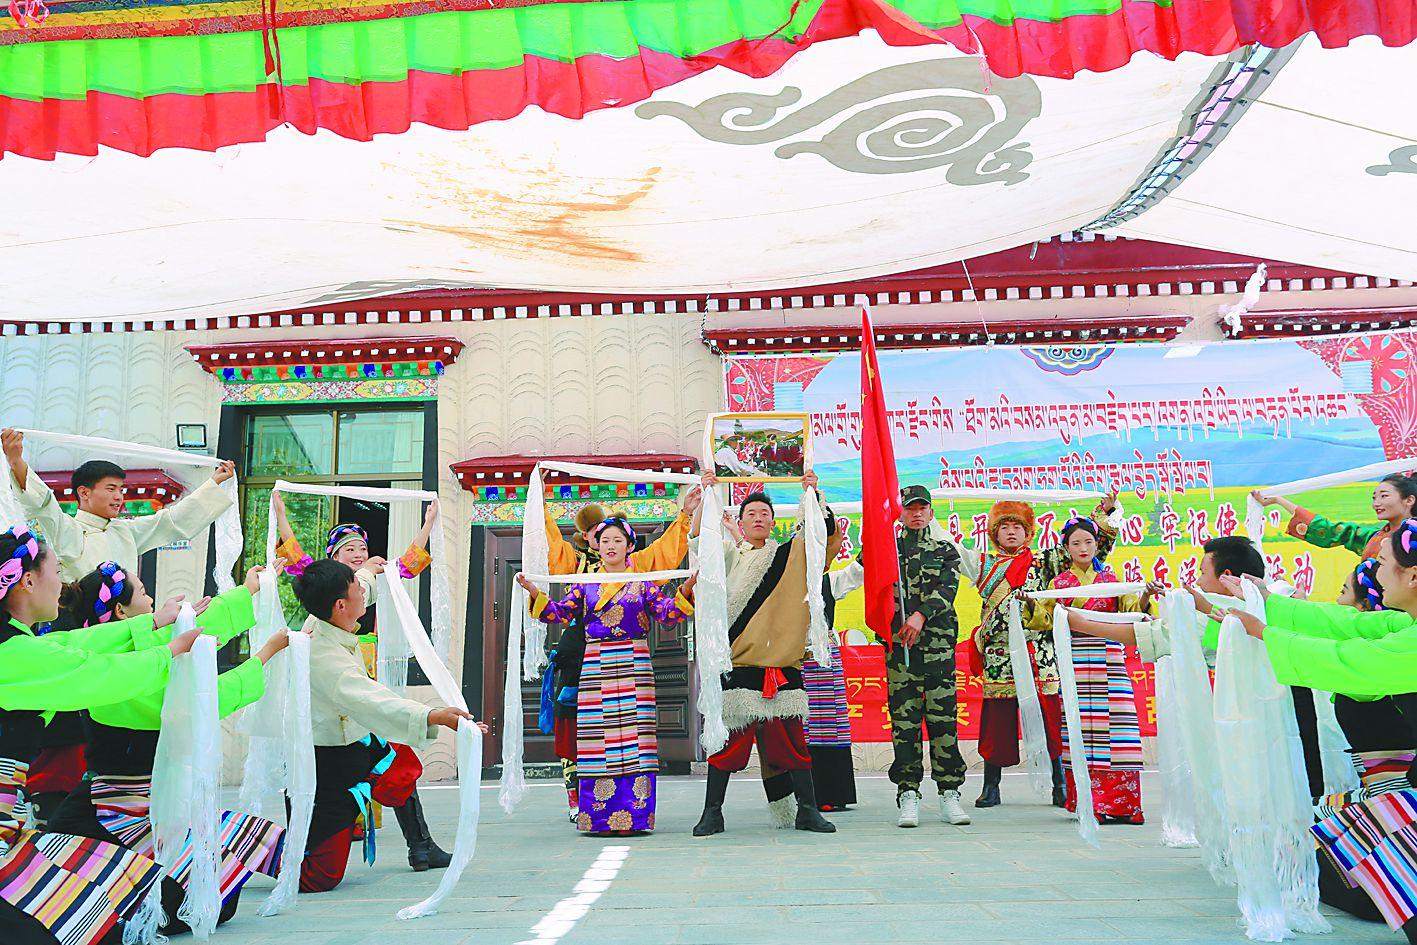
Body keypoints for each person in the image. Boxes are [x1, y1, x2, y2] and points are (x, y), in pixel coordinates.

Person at [46, 561, 291, 936]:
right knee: (190, 903)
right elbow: (202, 696)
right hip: (118, 804)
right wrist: (264, 655)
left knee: (212, 897)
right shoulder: (122, 670)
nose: (153, 600)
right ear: (122, 612)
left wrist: (248, 590)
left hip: (147, 796)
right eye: (144, 592)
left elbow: (196, 629)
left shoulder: (132, 649)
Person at [0, 525, 207, 945]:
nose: (63, 584)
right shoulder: (16, 653)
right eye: (56, 571)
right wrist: (168, 651)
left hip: (15, 823)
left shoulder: (21, 645)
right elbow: (96, 669)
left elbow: (79, 645)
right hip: (79, 808)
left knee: (107, 921)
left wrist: (152, 623)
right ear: (28, 581)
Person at [1221, 522, 1417, 944]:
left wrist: (1264, 632)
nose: (1375, 571)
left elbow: (1347, 658)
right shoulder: (1404, 627)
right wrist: (1268, 603)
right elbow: (1347, 625)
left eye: (1383, 563)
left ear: (1413, 576)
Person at [274, 495, 451, 869]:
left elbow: (400, 567)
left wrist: (428, 525)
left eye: (362, 549)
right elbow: (296, 558)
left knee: (398, 764)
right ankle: (294, 849)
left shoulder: (355, 586)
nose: (359, 555)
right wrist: (281, 516)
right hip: (334, 726)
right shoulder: (320, 634)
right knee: (318, 858)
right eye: (349, 550)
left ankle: (420, 844)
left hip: (363, 694)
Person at [292, 559, 481, 893]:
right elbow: (374, 700)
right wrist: (434, 715)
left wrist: (367, 568)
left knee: (401, 766)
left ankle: (421, 844)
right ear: (341, 605)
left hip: (360, 740)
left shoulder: (322, 614)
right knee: (318, 877)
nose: (362, 592)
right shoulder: (326, 659)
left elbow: (364, 584)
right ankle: (237, 839)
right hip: (330, 760)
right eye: (355, 588)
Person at [519, 518, 696, 835]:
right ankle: (597, 817)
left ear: (630, 546)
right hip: (596, 663)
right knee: (597, 738)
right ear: (596, 546)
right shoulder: (584, 583)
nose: (611, 546)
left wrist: (685, 589)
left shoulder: (643, 582)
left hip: (634, 662)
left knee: (636, 737)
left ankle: (637, 816)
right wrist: (535, 592)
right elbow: (560, 613)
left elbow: (668, 614)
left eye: (617, 540)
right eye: (605, 541)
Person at [691, 471, 843, 837]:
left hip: (781, 667)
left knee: (792, 745)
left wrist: (813, 496)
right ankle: (712, 813)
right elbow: (701, 543)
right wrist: (705, 500)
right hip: (739, 665)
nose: (758, 518)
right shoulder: (729, 555)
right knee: (727, 746)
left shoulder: (790, 556)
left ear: (773, 522)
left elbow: (821, 540)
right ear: (740, 524)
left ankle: (807, 810)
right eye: (751, 514)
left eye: (764, 514)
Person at [954, 491, 1119, 809]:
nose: (1011, 532)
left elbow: (1089, 545)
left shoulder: (1045, 561)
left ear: (1028, 532)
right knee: (997, 722)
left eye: (1017, 526)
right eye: (1004, 527)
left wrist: (1105, 512)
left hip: (1039, 652)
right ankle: (991, 786)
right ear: (994, 533)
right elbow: (952, 549)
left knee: (1050, 719)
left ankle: (1059, 784)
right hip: (1000, 655)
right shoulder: (983, 564)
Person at [1028, 516, 1151, 825]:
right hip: (1076, 660)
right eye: (1075, 543)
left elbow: (1133, 614)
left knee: (1120, 729)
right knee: (1081, 729)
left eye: (1088, 542)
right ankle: (1089, 802)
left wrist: (1146, 596)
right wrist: (1030, 602)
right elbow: (1043, 619)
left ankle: (1125, 805)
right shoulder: (1058, 585)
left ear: (1097, 544)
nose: (1083, 548)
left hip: (1110, 657)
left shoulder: (1112, 580)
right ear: (1066, 548)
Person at [2, 428, 236, 581]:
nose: (119, 497)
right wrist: (16, 460)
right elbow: (43, 503)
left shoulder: (125, 531)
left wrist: (213, 483)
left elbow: (171, 522)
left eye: (121, 490)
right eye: (111, 489)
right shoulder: (66, 529)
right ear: (84, 492)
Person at [1252, 473, 1417, 561]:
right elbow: (1328, 529)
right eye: (1374, 498)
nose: (1376, 503)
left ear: (1409, 500)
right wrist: (1278, 500)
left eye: (1384, 496)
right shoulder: (1372, 537)